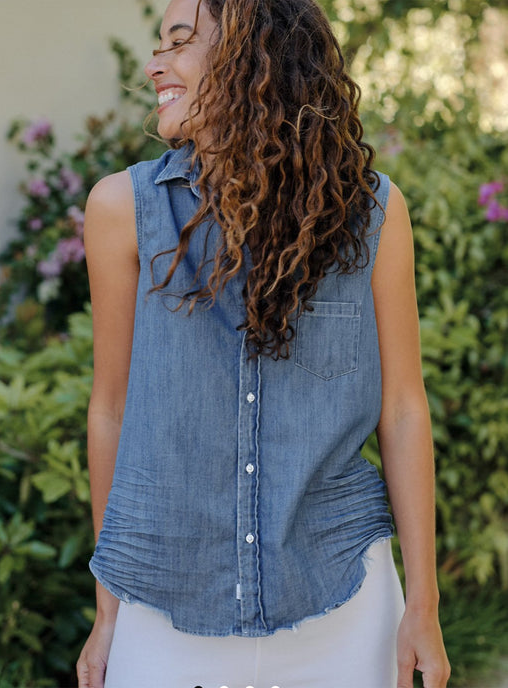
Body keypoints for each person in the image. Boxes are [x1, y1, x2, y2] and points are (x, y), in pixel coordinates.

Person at [76, 0, 451, 685]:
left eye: (181, 41)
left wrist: (422, 603)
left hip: (342, 599)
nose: (156, 63)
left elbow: (402, 407)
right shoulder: (121, 212)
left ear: (252, 56)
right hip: (163, 607)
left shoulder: (370, 214)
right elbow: (110, 410)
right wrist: (109, 610)